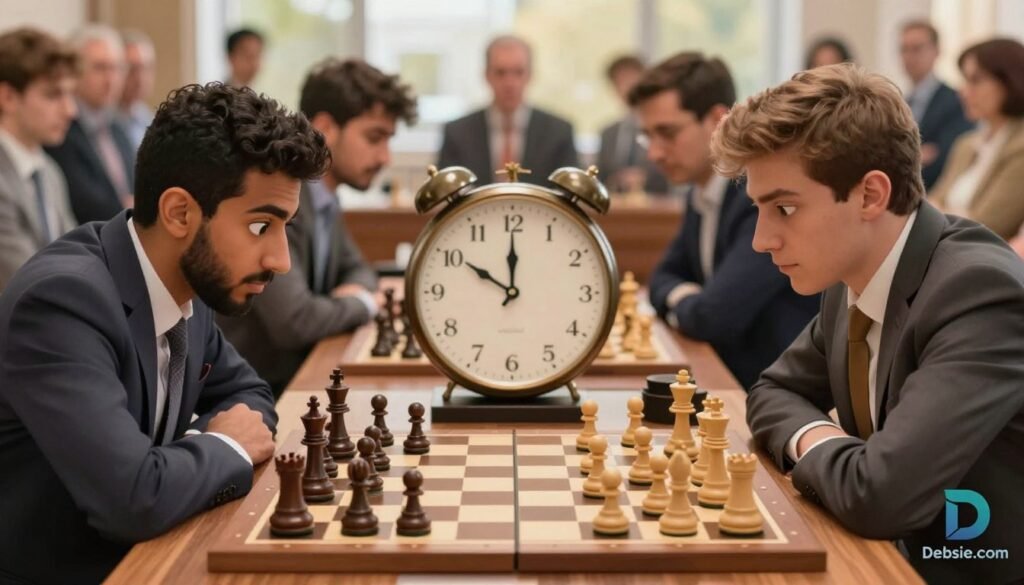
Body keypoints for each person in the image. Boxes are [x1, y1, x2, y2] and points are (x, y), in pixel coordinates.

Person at [0, 82, 330, 584]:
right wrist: (223, 448)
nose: (280, 261)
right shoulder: (63, 302)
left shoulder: (183, 285)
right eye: (262, 227)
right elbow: (132, 499)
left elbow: (250, 394)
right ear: (180, 213)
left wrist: (181, 456)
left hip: (151, 558)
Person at [713, 63, 1024, 585]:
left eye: (784, 209)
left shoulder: (978, 293)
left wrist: (830, 453)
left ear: (870, 195)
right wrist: (824, 441)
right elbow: (771, 390)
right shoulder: (854, 274)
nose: (761, 240)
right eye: (759, 211)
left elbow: (881, 496)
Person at [219, 58, 417, 396]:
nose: (385, 157)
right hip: (253, 391)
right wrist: (365, 305)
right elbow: (295, 321)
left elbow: (357, 268)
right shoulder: (282, 204)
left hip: (294, 378)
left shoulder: (325, 198)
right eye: (374, 138)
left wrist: (348, 295)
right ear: (325, 128)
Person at [630, 52, 818, 389]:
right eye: (647, 136)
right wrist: (687, 299)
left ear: (718, 119)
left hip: (776, 394)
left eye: (667, 133)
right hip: (729, 382)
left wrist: (683, 301)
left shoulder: (759, 199)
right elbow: (663, 276)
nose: (654, 153)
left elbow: (713, 318)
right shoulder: (700, 193)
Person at [437, 35, 577, 184]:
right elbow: (446, 196)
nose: (509, 83)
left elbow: (569, 195)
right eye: (501, 72)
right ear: (486, 75)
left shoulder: (558, 132)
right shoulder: (457, 133)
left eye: (518, 72)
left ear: (530, 75)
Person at [0, 28, 78, 291]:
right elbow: (26, 280)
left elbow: (80, 256)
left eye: (70, 94)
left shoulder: (49, 170)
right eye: (53, 95)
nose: (70, 110)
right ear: (8, 97)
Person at [929, 38, 1024, 239]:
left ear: (1009, 81)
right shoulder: (966, 143)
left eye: (976, 80)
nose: (964, 92)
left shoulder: (1020, 145)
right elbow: (930, 206)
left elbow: (987, 225)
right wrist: (954, 215)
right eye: (965, 80)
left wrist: (943, 213)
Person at [45, 24, 134, 224]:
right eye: (100, 68)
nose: (110, 79)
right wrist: (129, 209)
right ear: (75, 72)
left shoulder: (119, 128)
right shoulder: (60, 129)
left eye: (117, 68)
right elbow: (83, 203)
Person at [899, 20, 972, 190]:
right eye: (904, 49)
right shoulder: (899, 102)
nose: (909, 57)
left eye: (917, 48)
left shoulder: (957, 101)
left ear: (936, 51)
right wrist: (919, 155)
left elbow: (947, 159)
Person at [596, 55, 668, 195]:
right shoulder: (607, 133)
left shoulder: (663, 128)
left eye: (630, 80)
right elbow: (600, 179)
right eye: (619, 82)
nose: (626, 87)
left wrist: (644, 178)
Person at [117, 28, 156, 153]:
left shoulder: (148, 118)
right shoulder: (104, 123)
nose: (140, 78)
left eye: (147, 68)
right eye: (133, 68)